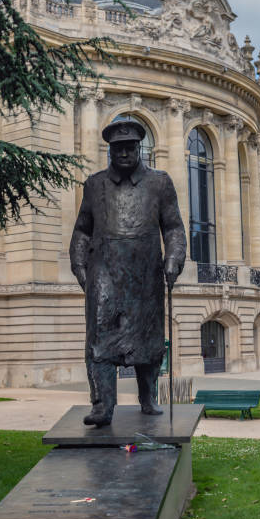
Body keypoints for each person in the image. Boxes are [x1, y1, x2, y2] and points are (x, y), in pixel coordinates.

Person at [70, 120, 186, 426]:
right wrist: (79, 266)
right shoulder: (94, 184)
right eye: (118, 148)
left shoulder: (160, 182)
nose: (124, 153)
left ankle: (148, 398)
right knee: (99, 341)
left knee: (148, 340)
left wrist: (174, 259)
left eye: (130, 147)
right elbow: (82, 230)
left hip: (145, 273)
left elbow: (173, 227)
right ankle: (102, 405)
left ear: (140, 149)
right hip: (104, 272)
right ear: (110, 151)